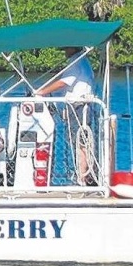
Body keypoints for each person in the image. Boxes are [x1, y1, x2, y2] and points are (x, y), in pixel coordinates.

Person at [35, 46, 95, 185]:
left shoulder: (76, 62)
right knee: (81, 141)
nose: (64, 52)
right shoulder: (84, 61)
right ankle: (84, 174)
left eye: (66, 49)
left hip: (79, 107)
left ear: (72, 49)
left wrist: (42, 92)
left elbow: (63, 82)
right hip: (81, 106)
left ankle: (82, 177)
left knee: (79, 141)